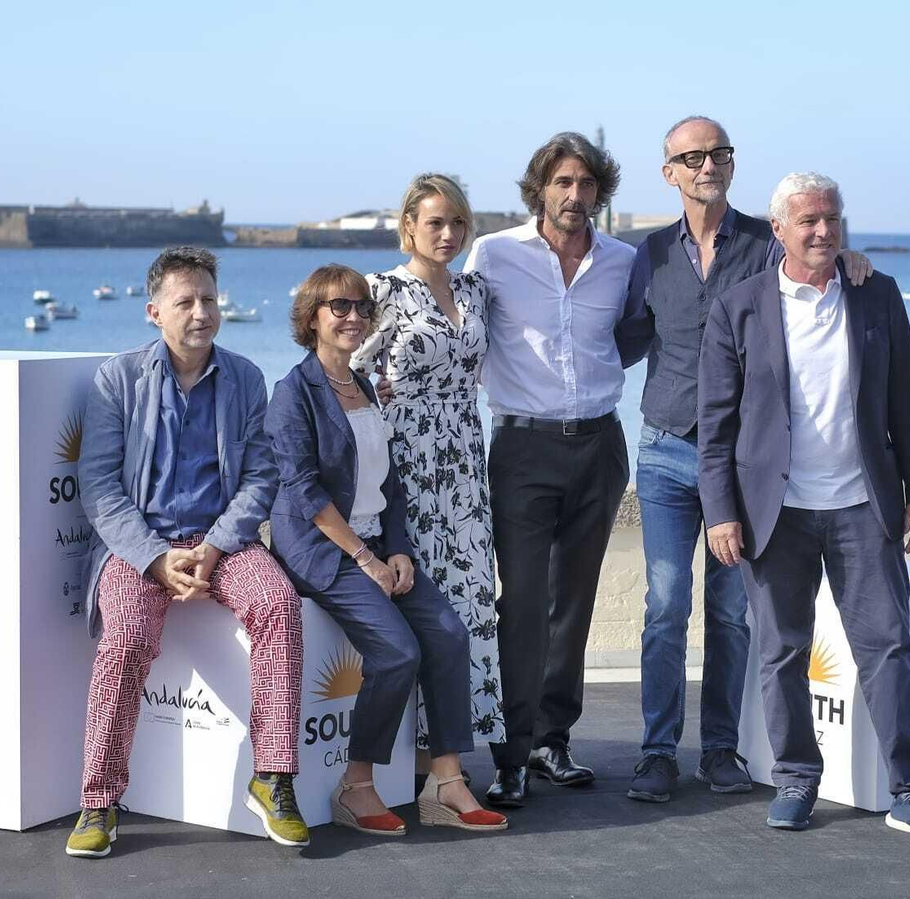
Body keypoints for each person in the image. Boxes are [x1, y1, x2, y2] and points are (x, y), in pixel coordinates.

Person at [697, 173, 910, 841]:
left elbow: (908, 395)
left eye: (832, 219)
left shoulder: (876, 293)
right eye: (808, 221)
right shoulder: (739, 306)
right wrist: (721, 510)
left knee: (889, 650)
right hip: (773, 512)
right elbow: (716, 423)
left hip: (861, 507)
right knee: (782, 652)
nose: (822, 231)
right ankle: (795, 776)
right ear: (779, 229)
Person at [616, 117, 872, 803]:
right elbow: (622, 341)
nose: (708, 165)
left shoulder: (767, 242)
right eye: (692, 156)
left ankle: (721, 750)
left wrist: (848, 262)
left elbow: (814, 276)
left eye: (719, 153)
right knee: (667, 604)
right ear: (669, 171)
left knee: (731, 611)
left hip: (739, 462)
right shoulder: (650, 255)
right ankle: (656, 753)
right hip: (666, 448)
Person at [68, 246, 306, 858]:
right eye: (186, 301)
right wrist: (153, 558)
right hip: (139, 548)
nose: (201, 312)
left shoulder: (246, 378)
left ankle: (273, 775)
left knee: (278, 604)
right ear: (154, 312)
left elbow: (260, 479)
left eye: (208, 299)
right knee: (124, 636)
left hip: (224, 543)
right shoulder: (118, 379)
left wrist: (216, 545)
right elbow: (98, 486)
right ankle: (100, 801)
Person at [267, 264, 507, 836]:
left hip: (377, 542)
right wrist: (365, 558)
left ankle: (445, 783)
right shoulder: (293, 393)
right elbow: (304, 492)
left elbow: (388, 480)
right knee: (398, 651)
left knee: (450, 635)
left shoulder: (365, 386)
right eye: (337, 308)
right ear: (312, 319)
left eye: (360, 308)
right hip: (324, 550)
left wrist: (396, 549)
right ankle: (356, 786)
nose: (352, 317)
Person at [463, 132, 635, 808]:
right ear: (540, 189)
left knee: (575, 602)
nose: (574, 194)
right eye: (561, 182)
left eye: (586, 183)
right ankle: (509, 753)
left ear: (601, 192)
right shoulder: (496, 253)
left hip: (601, 445)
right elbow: (452, 322)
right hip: (522, 448)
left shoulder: (623, 260)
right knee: (525, 604)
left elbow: (657, 321)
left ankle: (551, 738)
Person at [350, 173, 504, 764]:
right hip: (407, 459)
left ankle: (449, 750)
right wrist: (386, 394)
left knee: (470, 598)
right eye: (435, 222)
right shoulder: (382, 289)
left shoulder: (474, 291)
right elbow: (344, 367)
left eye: (457, 223)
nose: (447, 233)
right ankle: (408, 757)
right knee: (419, 596)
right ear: (408, 226)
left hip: (464, 457)